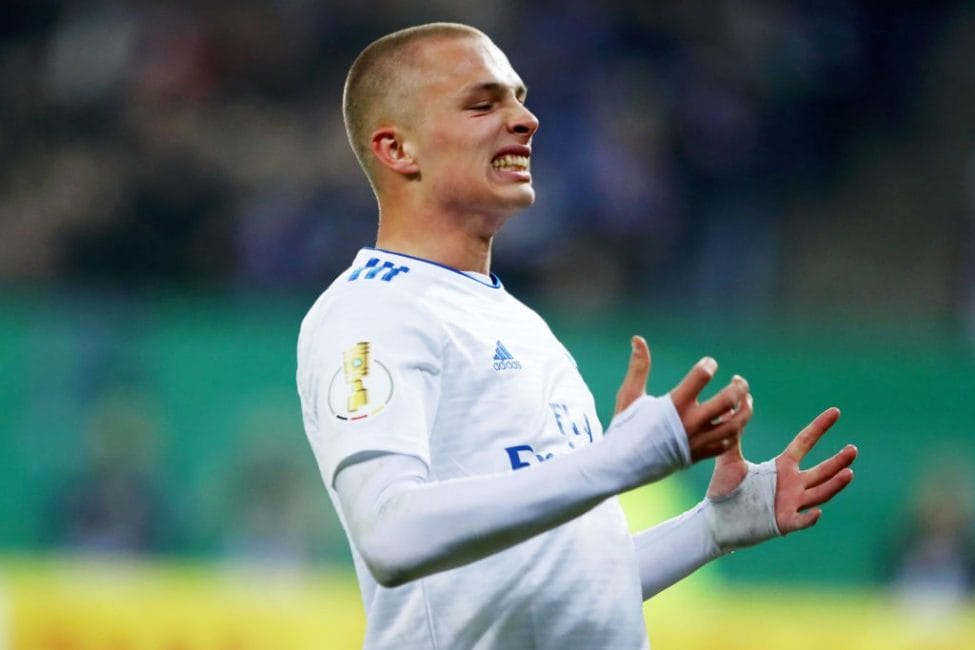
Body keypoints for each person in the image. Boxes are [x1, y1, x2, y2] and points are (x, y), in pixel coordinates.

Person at [296, 22, 858, 649]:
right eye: (484, 103)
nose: (526, 119)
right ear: (398, 150)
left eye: (519, 96)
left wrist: (712, 529)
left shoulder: (518, 322)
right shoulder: (372, 311)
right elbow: (390, 536)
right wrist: (616, 461)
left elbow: (570, 581)